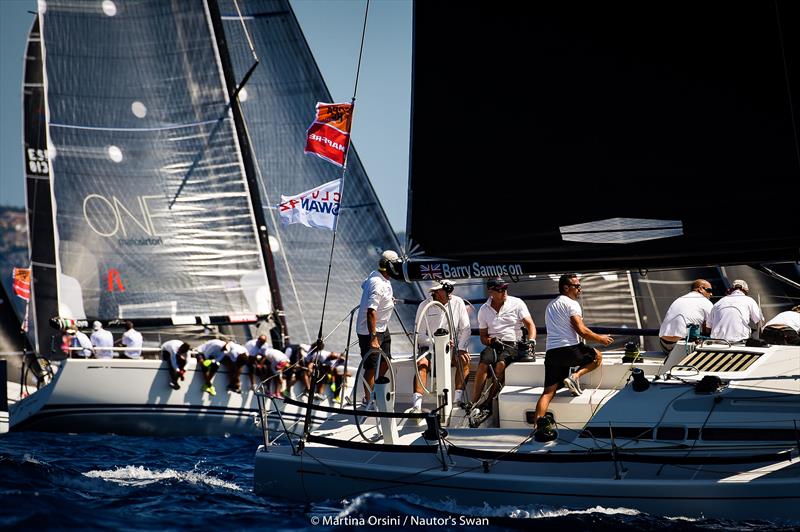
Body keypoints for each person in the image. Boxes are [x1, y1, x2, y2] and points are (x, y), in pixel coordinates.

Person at [534, 274, 613, 442]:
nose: (580, 288)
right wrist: (601, 339)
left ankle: (538, 428)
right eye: (576, 286)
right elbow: (581, 330)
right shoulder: (572, 304)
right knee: (597, 356)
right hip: (570, 350)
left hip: (552, 353)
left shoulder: (551, 305)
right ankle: (575, 377)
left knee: (547, 392)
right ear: (566, 288)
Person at [471, 277, 536, 417]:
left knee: (500, 365)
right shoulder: (483, 310)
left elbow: (530, 325)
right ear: (491, 292)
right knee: (483, 364)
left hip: (513, 343)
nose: (504, 292)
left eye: (505, 288)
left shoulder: (517, 303)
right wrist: (490, 340)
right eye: (500, 290)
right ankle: (474, 403)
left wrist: (531, 341)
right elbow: (483, 337)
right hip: (494, 343)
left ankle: (488, 403)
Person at [412, 280, 472, 412]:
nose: (433, 293)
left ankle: (457, 401)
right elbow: (419, 336)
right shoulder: (424, 305)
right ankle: (416, 406)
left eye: (437, 291)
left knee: (464, 361)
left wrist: (460, 348)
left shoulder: (458, 302)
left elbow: (466, 329)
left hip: (452, 347)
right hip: (429, 348)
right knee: (421, 364)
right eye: (446, 290)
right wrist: (437, 342)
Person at [355, 250, 400, 403]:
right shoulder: (378, 284)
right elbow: (371, 312)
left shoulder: (376, 276)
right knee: (371, 367)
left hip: (382, 328)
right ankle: (369, 400)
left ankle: (375, 390)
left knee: (386, 362)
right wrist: (373, 338)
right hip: (370, 332)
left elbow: (364, 285)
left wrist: (387, 299)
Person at [658, 279, 714, 352]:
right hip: (681, 345)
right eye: (709, 290)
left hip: (663, 344)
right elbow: (709, 328)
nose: (711, 294)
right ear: (700, 289)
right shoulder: (706, 302)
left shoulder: (679, 299)